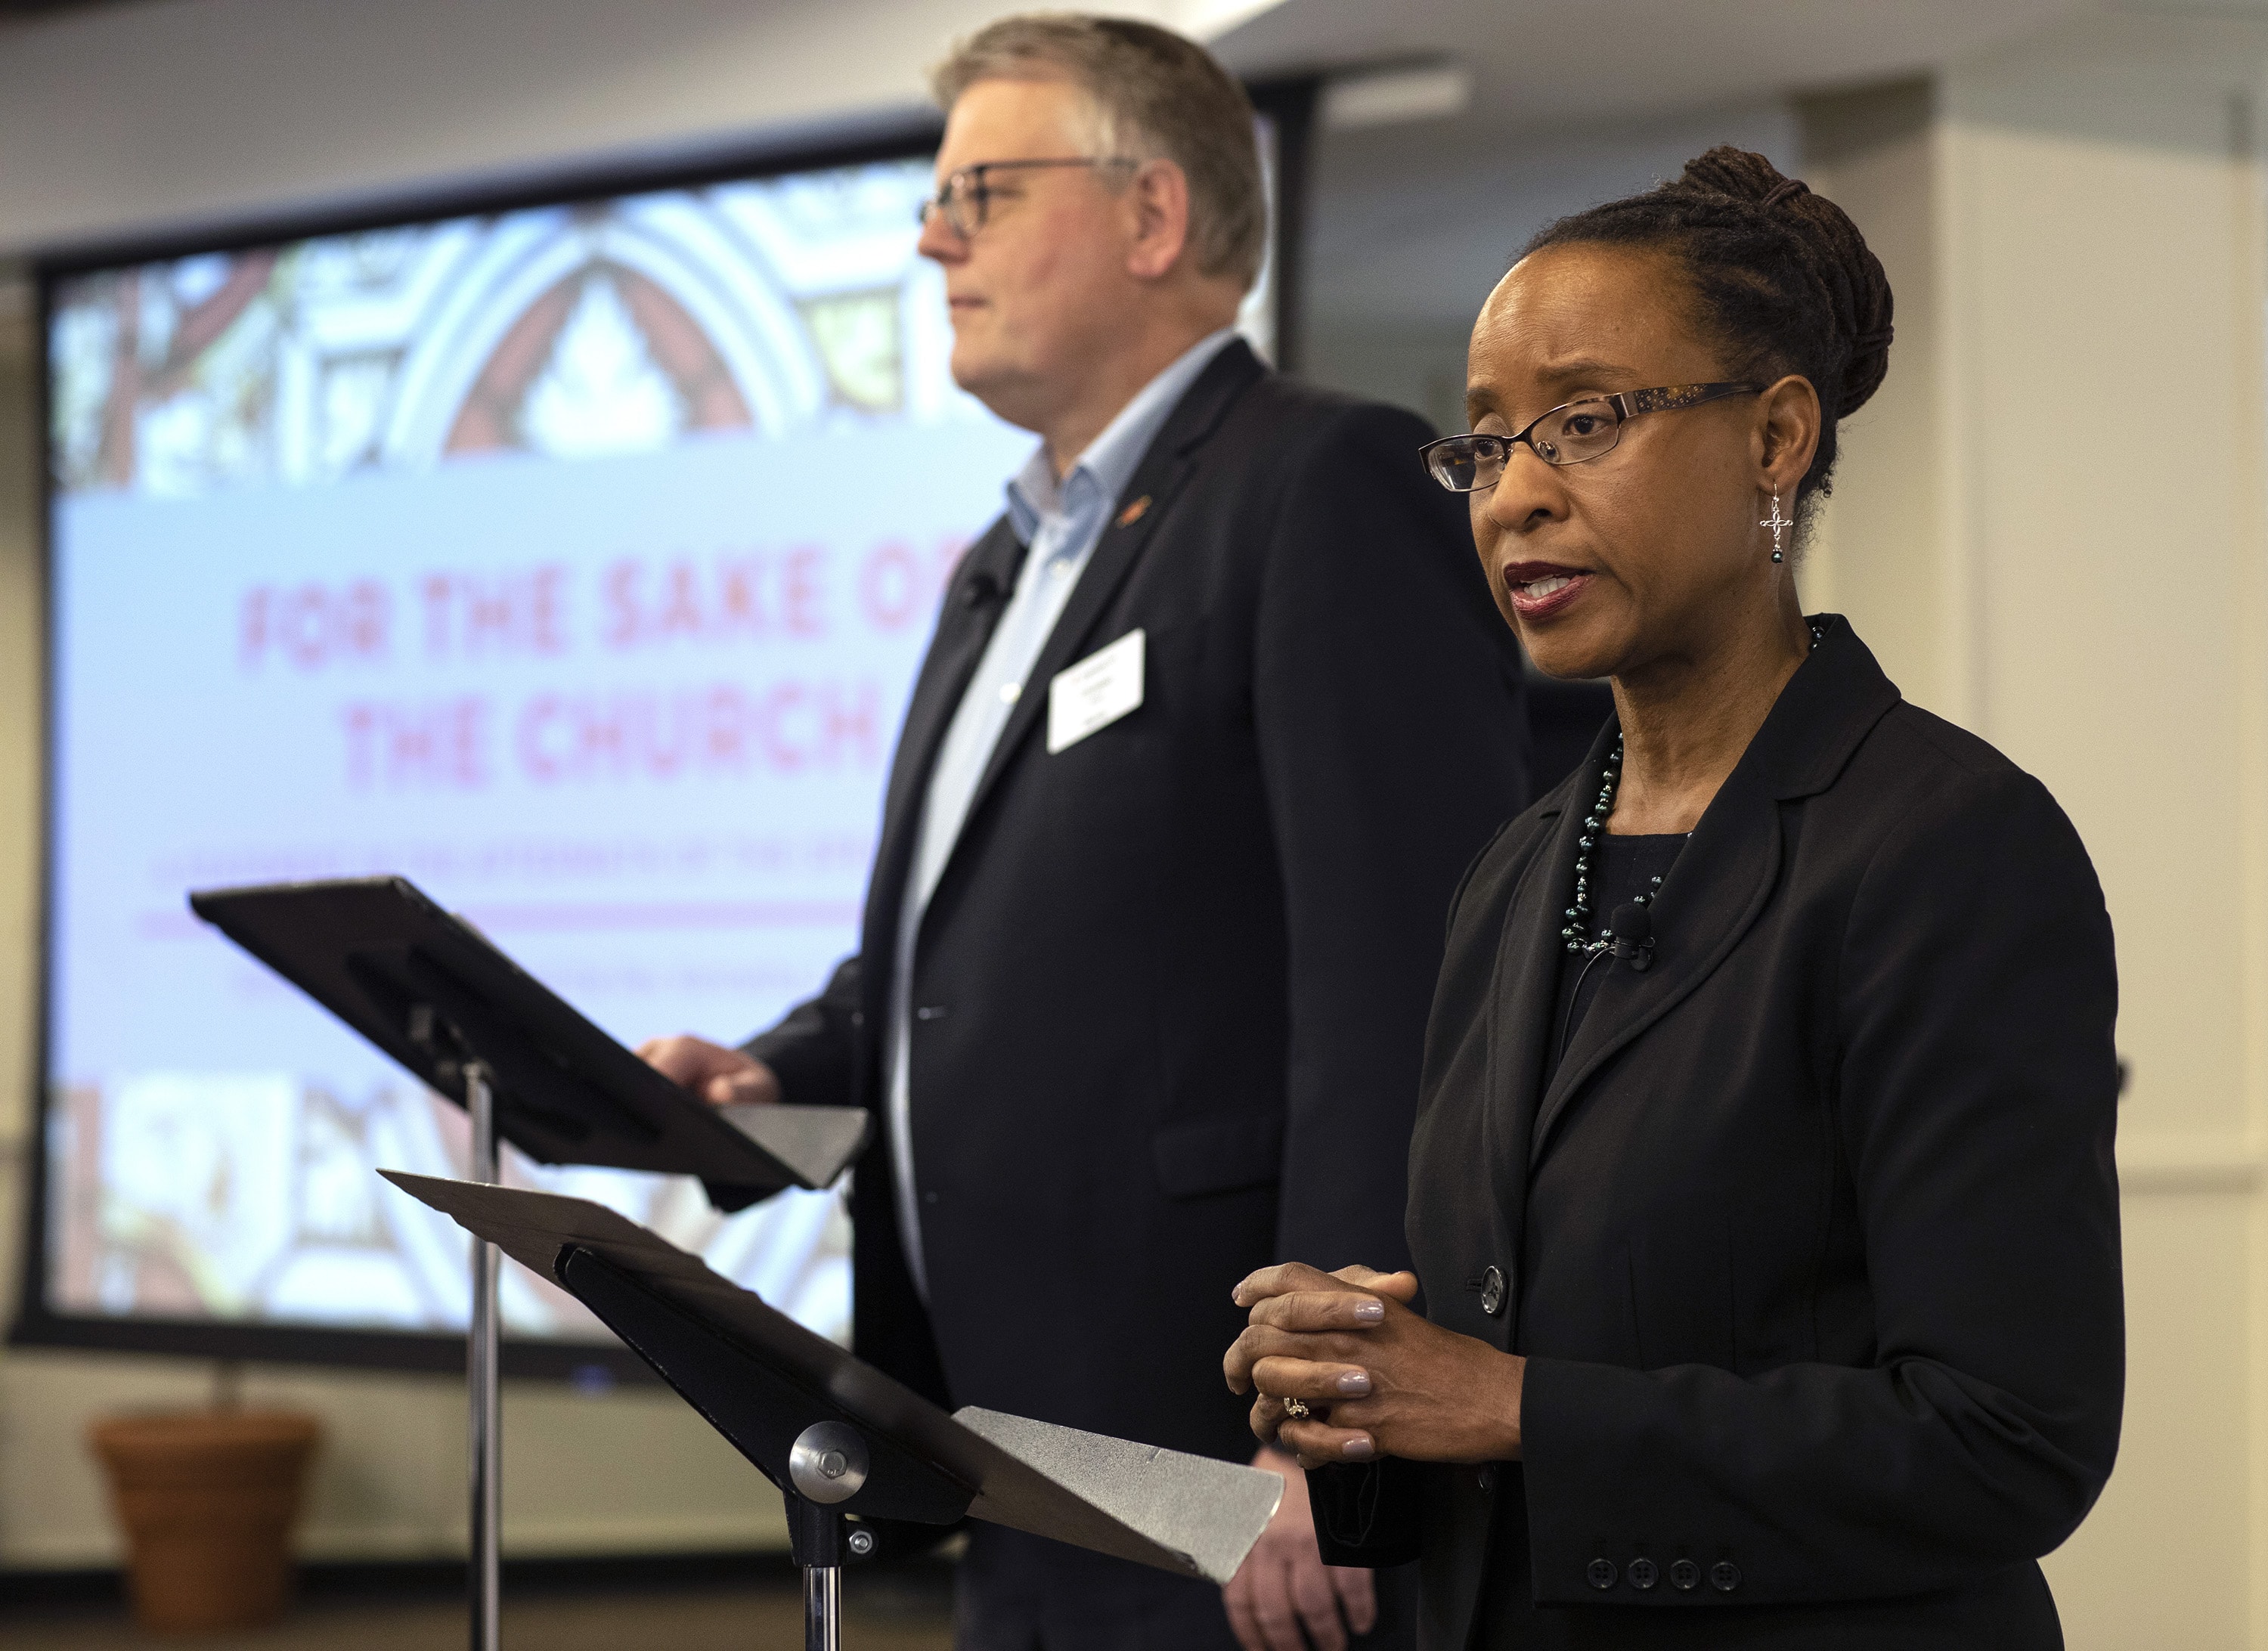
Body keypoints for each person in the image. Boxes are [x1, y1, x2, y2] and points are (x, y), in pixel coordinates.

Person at [637, 16, 1529, 1649]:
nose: (929, 236)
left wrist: (1326, 1426)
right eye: (937, 197)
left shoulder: (1316, 484)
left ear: (1154, 216)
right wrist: (779, 1072)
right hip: (1005, 1443)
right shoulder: (1003, 562)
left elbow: (1406, 980)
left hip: (1217, 1448)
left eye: (982, 188)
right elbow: (964, 954)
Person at [1222, 147, 2124, 1649]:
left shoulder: (1947, 846)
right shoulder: (1515, 871)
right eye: (1488, 445)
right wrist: (1363, 1388)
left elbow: (2006, 1441)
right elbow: (1498, 1368)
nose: (1516, 495)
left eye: (1583, 423)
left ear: (1776, 436)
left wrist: (1511, 1406)